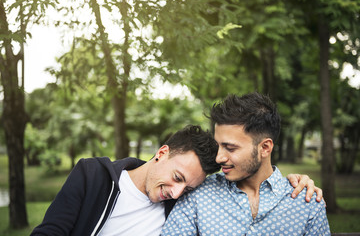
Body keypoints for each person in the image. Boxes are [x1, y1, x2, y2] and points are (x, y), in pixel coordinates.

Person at [31, 125, 321, 236]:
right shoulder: (93, 176)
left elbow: (251, 166)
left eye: (188, 188)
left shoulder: (181, 208)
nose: (177, 192)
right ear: (162, 153)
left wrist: (292, 180)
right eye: (178, 178)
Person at [161, 93, 330, 235]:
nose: (218, 158)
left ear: (265, 148)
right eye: (218, 146)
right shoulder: (198, 195)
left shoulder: (307, 203)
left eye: (230, 148)